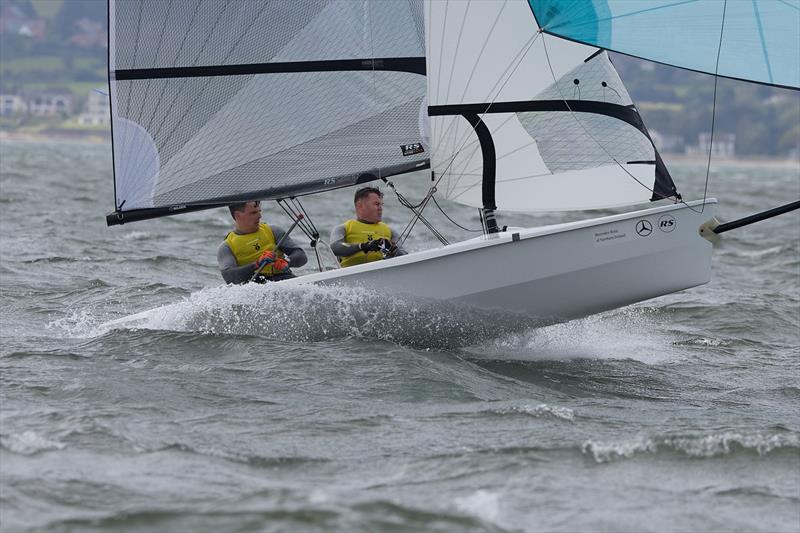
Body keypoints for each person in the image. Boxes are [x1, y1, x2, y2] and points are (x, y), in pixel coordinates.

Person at [218, 200, 307, 284]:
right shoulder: (227, 247)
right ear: (237, 215)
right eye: (253, 213)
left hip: (284, 279)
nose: (259, 216)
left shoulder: (273, 231)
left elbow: (301, 255)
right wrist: (256, 264)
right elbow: (229, 278)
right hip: (256, 287)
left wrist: (287, 262)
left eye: (259, 211)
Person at [330, 186, 406, 268]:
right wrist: (363, 246)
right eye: (376, 204)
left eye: (381, 205)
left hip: (382, 272)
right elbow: (335, 248)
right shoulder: (343, 228)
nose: (380, 208)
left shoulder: (391, 231)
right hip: (353, 274)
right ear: (359, 205)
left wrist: (393, 250)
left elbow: (404, 256)